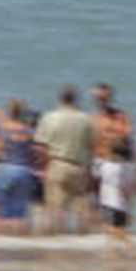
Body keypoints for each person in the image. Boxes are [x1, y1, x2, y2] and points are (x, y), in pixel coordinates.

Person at [34, 86, 94, 233]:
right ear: (76, 100)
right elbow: (91, 146)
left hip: (57, 164)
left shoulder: (49, 117)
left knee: (57, 209)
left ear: (59, 99)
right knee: (81, 209)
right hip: (79, 166)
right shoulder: (85, 119)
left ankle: (58, 242)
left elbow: (41, 148)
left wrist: (42, 168)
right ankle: (83, 242)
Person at [0, 99, 38, 234]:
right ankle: (20, 243)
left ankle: (1, 242)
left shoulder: (2, 129)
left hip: (6, 169)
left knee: (0, 211)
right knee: (19, 213)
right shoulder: (28, 131)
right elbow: (34, 152)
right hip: (24, 170)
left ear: (9, 112)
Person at [94, 136, 136, 241]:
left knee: (112, 228)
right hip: (123, 203)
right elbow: (131, 186)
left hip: (109, 202)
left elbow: (97, 176)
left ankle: (132, 245)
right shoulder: (130, 167)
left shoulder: (106, 166)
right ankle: (114, 250)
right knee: (118, 227)